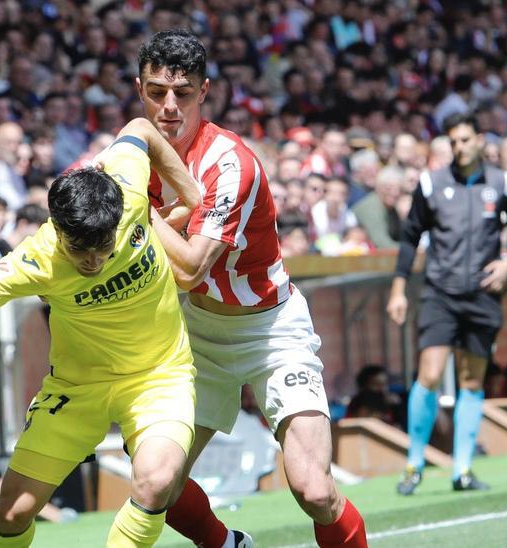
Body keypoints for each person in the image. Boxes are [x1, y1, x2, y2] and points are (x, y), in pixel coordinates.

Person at [133, 30, 367, 548]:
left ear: (204, 91)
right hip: (194, 334)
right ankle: (228, 546)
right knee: (155, 482)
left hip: (269, 328)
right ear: (139, 89)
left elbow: (192, 267)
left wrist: (137, 210)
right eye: (156, 92)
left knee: (313, 490)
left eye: (183, 93)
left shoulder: (229, 162)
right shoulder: (132, 158)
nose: (169, 106)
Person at [0, 117, 202, 548]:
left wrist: (191, 193)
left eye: (102, 249)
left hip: (158, 376)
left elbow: (142, 128)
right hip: (77, 388)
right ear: (58, 229)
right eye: (79, 251)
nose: (92, 262)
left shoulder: (126, 191)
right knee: (13, 513)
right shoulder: (36, 260)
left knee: (156, 480)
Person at [387, 111, 507, 495]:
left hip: (483, 295)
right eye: (453, 141)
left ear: (481, 140)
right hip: (440, 292)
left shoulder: (503, 182)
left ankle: (462, 470)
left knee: (471, 380)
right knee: (430, 374)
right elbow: (410, 236)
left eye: (465, 139)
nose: (459, 147)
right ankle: (413, 464)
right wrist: (399, 288)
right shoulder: (432, 184)